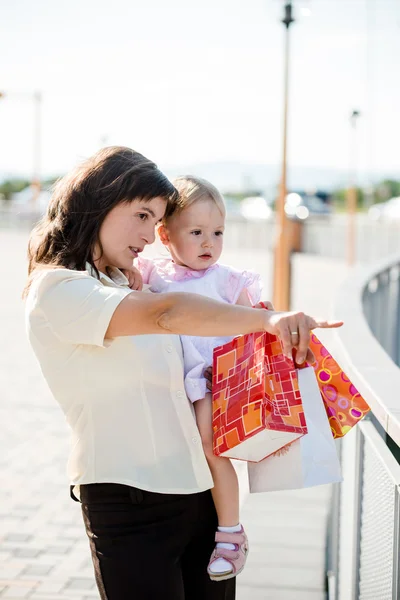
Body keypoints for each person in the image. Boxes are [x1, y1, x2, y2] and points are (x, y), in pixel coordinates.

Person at [24, 146, 343, 600]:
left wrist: (259, 333)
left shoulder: (129, 279)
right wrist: (264, 320)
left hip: (199, 493)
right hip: (129, 502)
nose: (148, 236)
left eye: (154, 219)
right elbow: (168, 314)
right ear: (101, 201)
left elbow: (195, 341)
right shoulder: (60, 289)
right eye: (141, 216)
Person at [128, 175, 262, 581]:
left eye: (218, 232)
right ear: (165, 235)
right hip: (169, 382)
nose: (209, 243)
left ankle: (231, 533)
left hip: (212, 381)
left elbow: (255, 325)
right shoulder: (152, 274)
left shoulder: (227, 280)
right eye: (197, 232)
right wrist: (135, 281)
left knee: (210, 443)